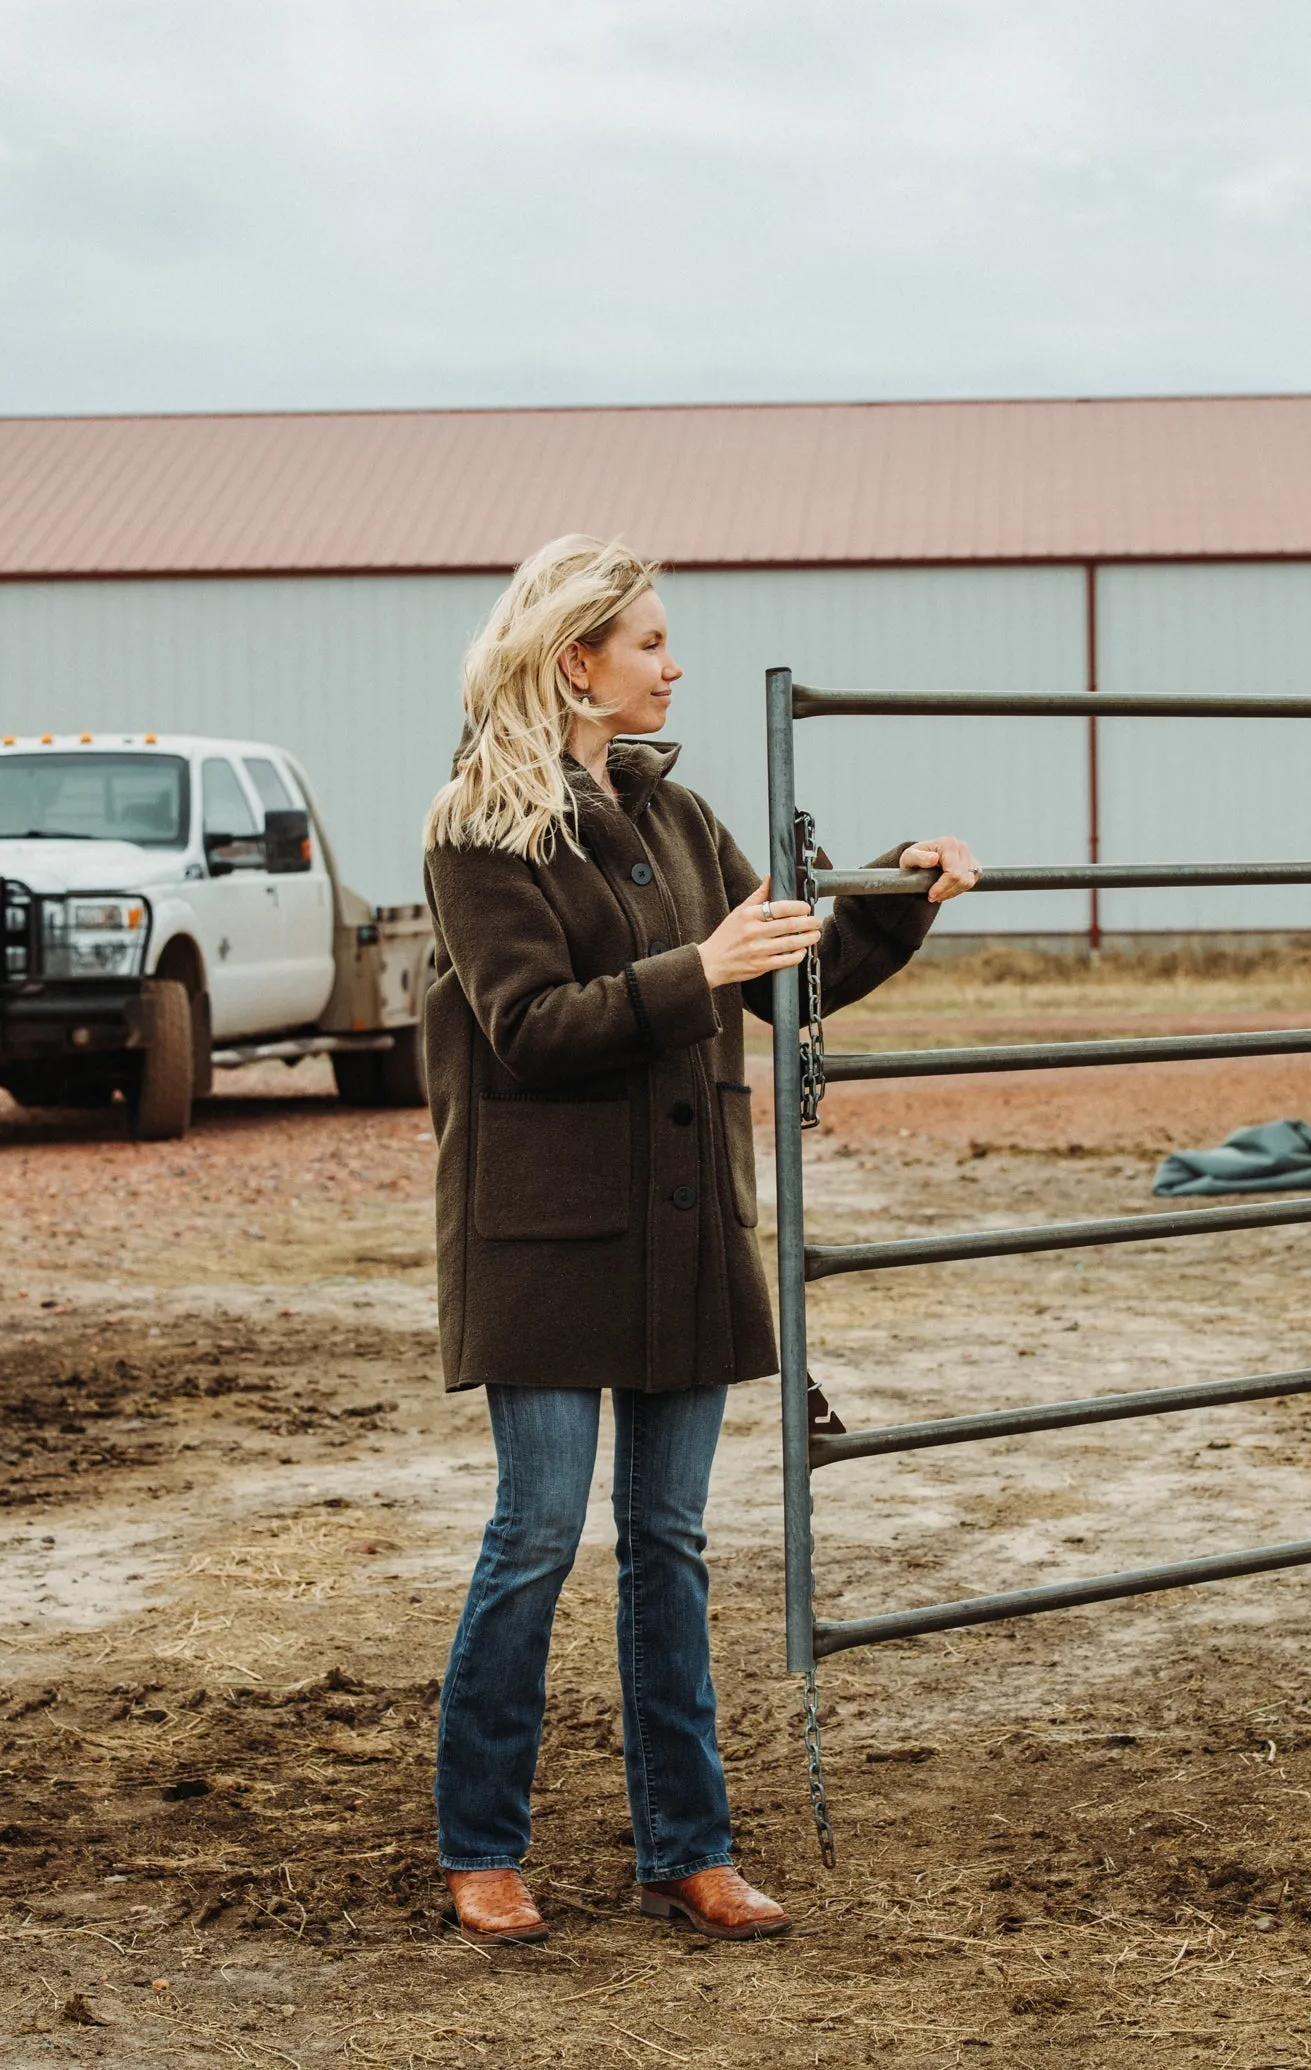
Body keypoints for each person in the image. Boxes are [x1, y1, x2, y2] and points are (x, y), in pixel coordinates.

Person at [417, 535, 979, 1945]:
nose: (676, 664)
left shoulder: (684, 819)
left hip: (677, 1225)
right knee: (535, 1534)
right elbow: (528, 1029)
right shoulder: (476, 830)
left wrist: (899, 899)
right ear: (575, 664)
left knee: (667, 1539)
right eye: (653, 642)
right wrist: (696, 968)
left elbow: (793, 978)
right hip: (544, 1234)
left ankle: (690, 1845)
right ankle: (481, 1843)